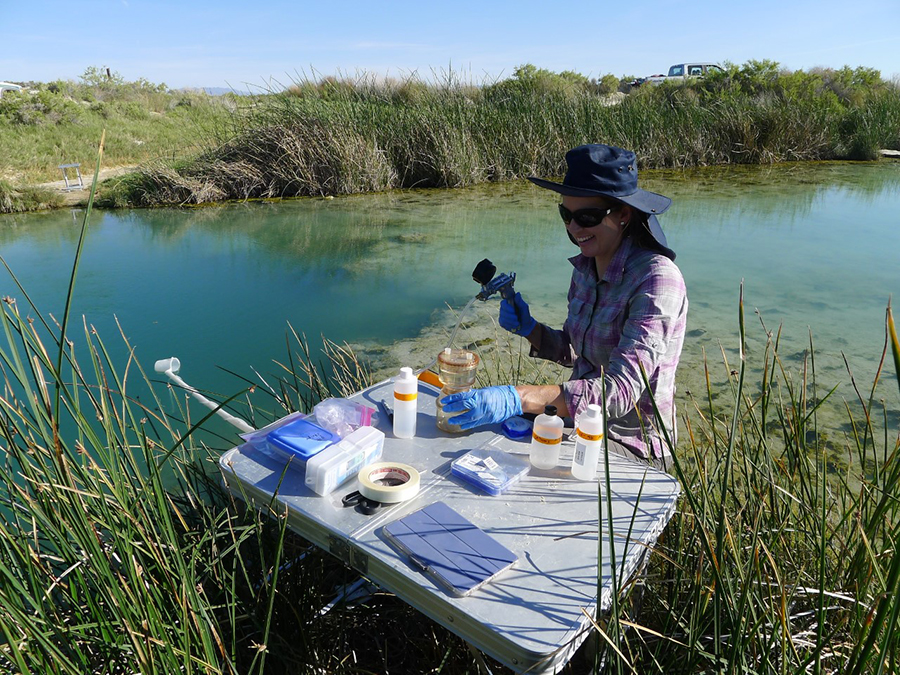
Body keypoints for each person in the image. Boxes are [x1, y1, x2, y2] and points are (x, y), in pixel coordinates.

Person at [440, 144, 688, 471]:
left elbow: (619, 390)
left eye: (586, 217)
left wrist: (518, 396)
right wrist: (532, 330)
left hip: (630, 446)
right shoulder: (585, 269)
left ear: (624, 215)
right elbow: (576, 352)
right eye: (566, 215)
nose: (573, 228)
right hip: (577, 424)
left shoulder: (657, 281)